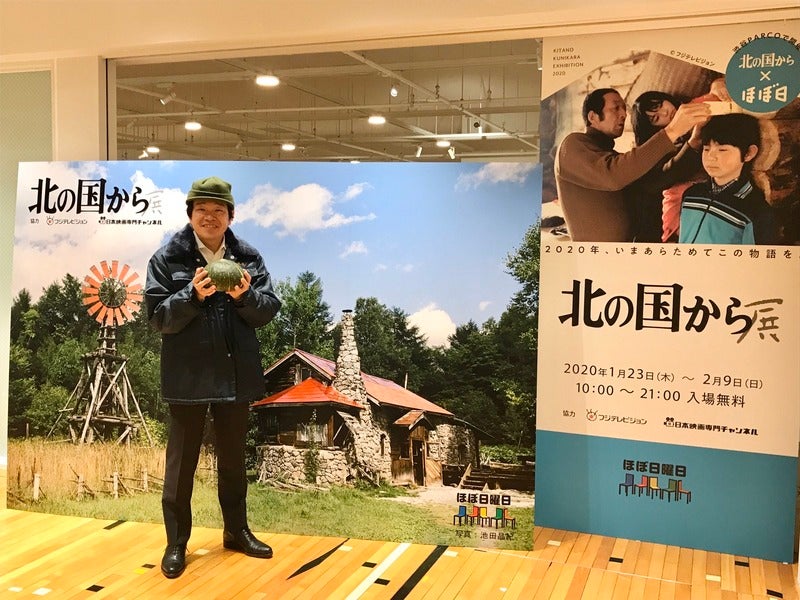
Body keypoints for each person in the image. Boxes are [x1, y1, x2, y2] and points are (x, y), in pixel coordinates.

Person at [145, 176, 282, 578]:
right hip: (186, 377)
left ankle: (236, 532)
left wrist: (245, 296)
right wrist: (192, 296)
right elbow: (157, 318)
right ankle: (176, 543)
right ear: (190, 214)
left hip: (235, 375)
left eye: (218, 210)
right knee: (180, 466)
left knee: (234, 461)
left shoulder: (249, 257)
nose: (210, 217)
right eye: (202, 210)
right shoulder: (167, 258)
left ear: (230, 216)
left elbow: (267, 310)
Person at [555, 87, 710, 242]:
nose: (623, 114)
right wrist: (672, 131)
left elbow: (658, 180)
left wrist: (694, 142)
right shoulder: (572, 145)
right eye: (616, 108)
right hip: (602, 254)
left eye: (624, 108)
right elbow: (612, 176)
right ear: (592, 116)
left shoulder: (611, 157)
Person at [629, 79, 731, 242]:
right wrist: (694, 140)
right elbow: (665, 176)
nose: (664, 113)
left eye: (660, 105)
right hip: (678, 200)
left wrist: (717, 85)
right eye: (656, 118)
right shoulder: (663, 146)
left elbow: (717, 92)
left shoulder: (691, 107)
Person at [679, 113, 777, 244]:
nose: (710, 157)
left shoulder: (757, 210)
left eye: (722, 150)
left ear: (749, 153)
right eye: (706, 149)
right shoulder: (691, 194)